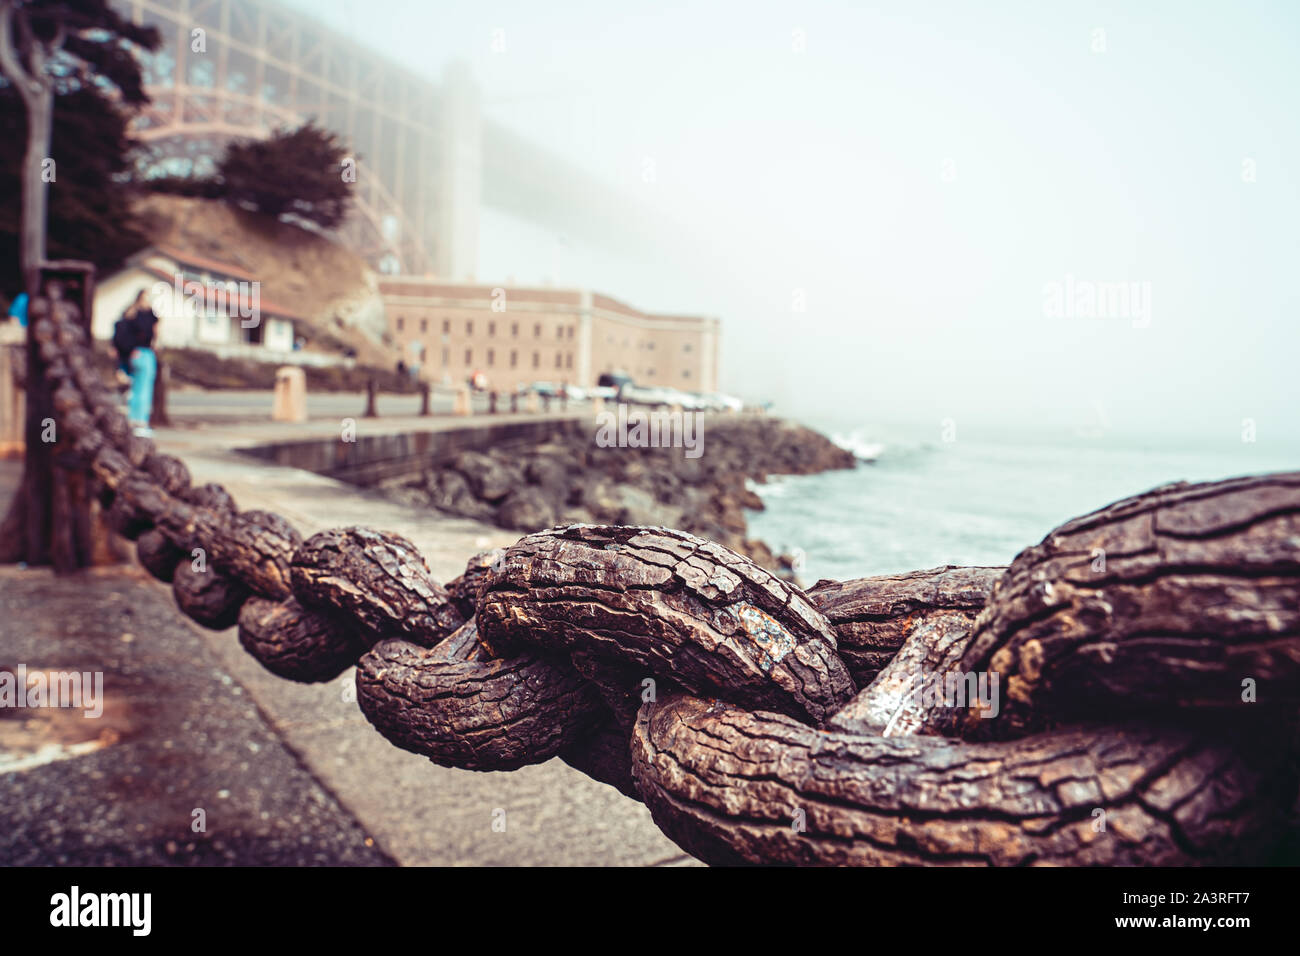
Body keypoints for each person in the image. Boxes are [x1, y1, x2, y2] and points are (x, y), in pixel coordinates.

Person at [124, 290, 159, 436]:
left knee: (146, 390)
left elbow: (156, 333)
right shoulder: (132, 314)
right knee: (139, 389)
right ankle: (134, 421)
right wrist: (130, 350)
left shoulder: (152, 315)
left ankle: (142, 421)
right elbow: (125, 333)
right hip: (137, 352)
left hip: (148, 353)